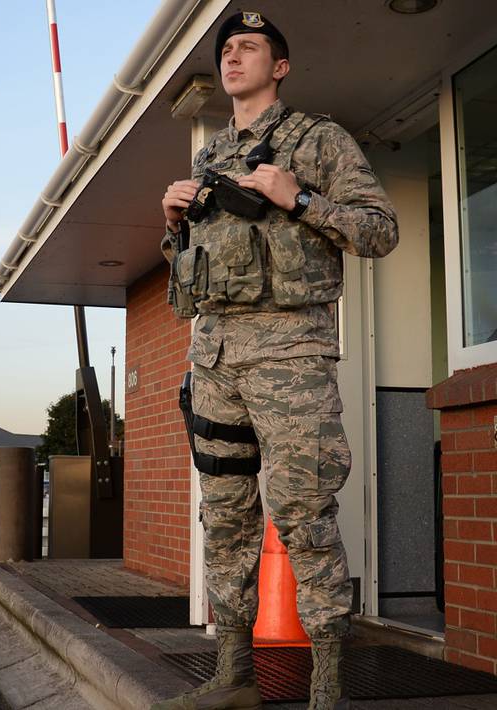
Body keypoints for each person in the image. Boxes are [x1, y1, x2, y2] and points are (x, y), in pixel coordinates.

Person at [154, 10, 398, 710]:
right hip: (216, 362)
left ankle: (328, 688)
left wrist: (302, 198)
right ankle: (234, 676)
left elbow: (381, 230)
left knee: (304, 515)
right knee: (225, 518)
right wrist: (175, 229)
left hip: (290, 360)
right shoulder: (210, 158)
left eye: (248, 47)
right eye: (226, 49)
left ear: (279, 66)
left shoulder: (317, 140)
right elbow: (193, 284)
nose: (232, 58)